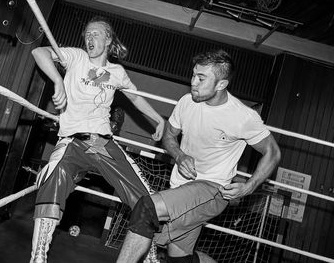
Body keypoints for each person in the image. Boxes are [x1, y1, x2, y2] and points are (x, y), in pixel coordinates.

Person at [116, 49, 281, 263]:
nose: (193, 82)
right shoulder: (187, 102)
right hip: (180, 187)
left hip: (212, 189)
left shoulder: (242, 117)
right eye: (193, 75)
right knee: (179, 258)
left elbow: (273, 151)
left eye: (201, 78)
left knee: (147, 209)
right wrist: (179, 155)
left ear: (221, 84)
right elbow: (169, 135)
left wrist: (249, 186)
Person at [29, 16, 165, 263]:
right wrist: (58, 80)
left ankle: (148, 249)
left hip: (100, 142)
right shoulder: (76, 57)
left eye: (96, 34)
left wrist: (159, 119)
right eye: (87, 34)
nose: (89, 38)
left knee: (143, 194)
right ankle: (38, 255)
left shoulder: (117, 72)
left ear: (109, 39)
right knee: (52, 181)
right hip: (72, 140)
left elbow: (135, 98)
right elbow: (39, 52)